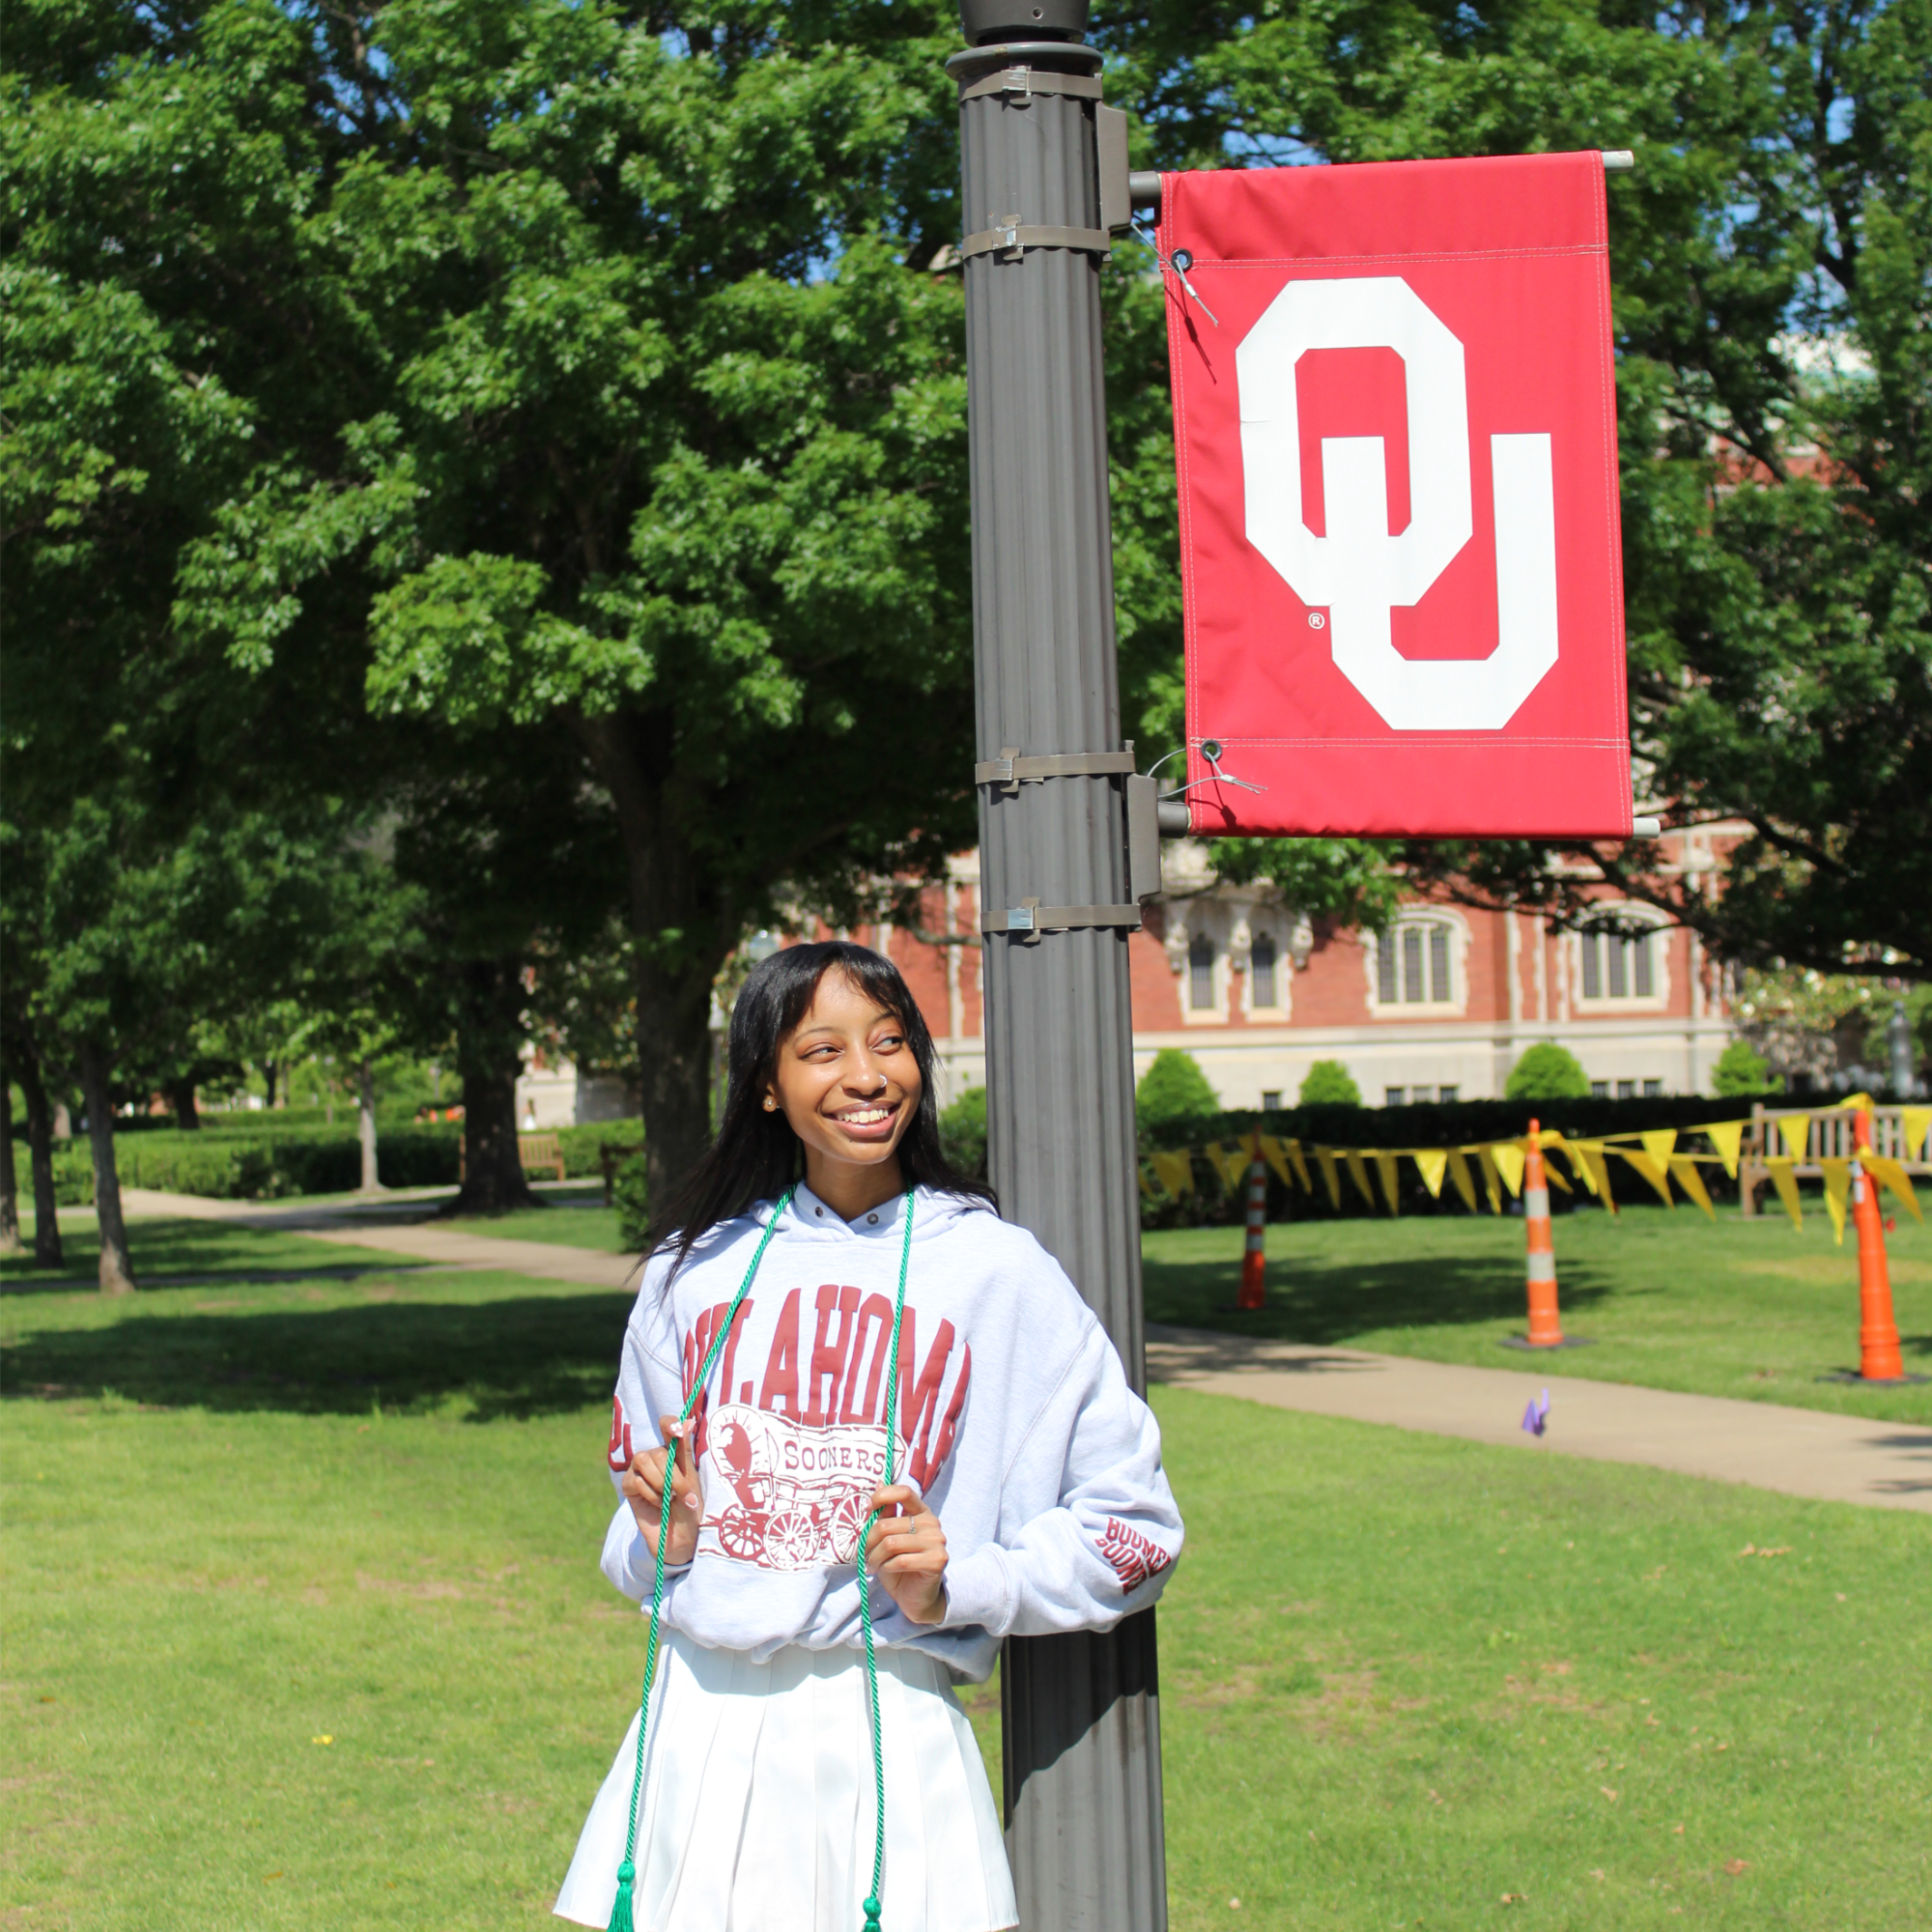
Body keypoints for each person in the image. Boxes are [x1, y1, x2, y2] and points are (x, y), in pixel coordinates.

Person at [554, 941, 1182, 1932]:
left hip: (885, 1730)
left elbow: (1137, 1530)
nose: (864, 1074)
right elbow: (636, 1547)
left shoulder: (994, 1271)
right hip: (697, 1725)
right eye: (822, 1049)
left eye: (889, 1041)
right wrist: (663, 1540)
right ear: (766, 1083)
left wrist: (956, 1585)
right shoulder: (691, 1274)